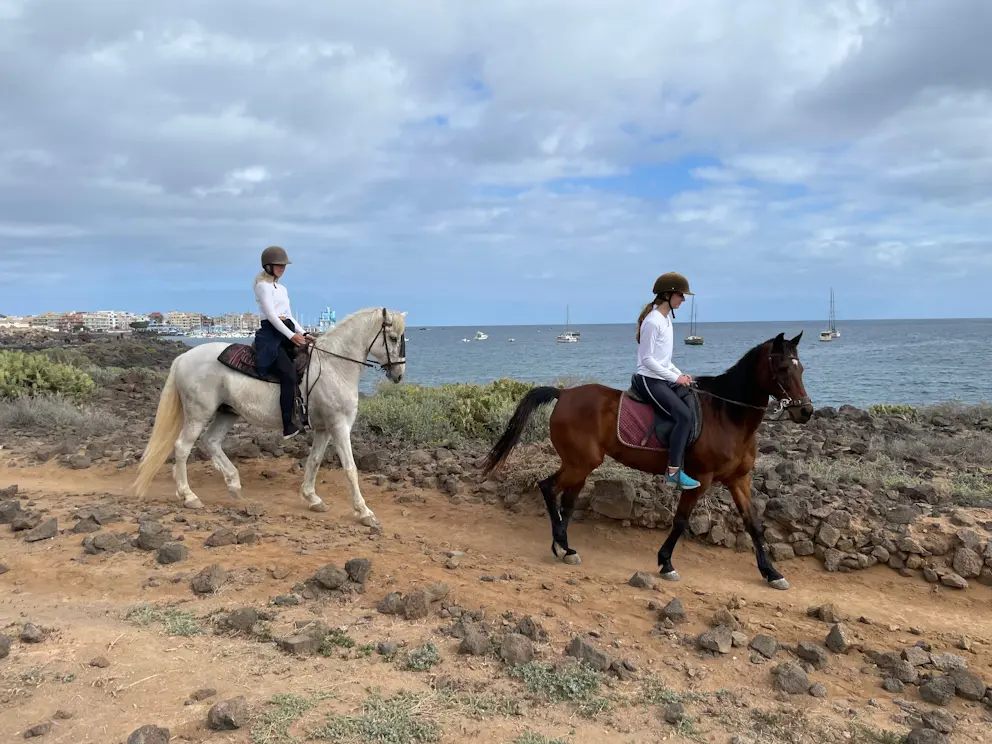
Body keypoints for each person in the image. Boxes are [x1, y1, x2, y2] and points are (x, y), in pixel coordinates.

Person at [632, 272, 700, 489]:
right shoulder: (653, 322)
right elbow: (648, 360)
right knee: (684, 416)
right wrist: (674, 378)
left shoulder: (666, 319)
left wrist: (681, 374)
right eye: (681, 295)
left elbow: (664, 360)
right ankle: (673, 471)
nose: (683, 299)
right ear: (668, 294)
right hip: (648, 380)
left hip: (661, 376)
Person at [253, 245, 312, 439]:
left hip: (286, 330)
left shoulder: (283, 288)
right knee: (288, 374)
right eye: (278, 265)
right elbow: (271, 316)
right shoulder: (262, 286)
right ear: (268, 266)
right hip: (271, 335)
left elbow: (289, 316)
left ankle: (306, 412)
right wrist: (291, 336)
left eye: (284, 265)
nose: (282, 268)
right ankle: (287, 425)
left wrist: (304, 333)